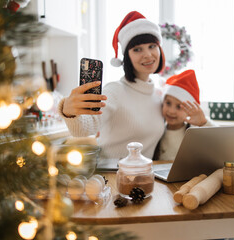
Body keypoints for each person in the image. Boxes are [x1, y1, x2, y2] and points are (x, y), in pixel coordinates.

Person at [58, 11, 166, 159]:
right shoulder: (115, 90)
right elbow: (84, 129)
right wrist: (69, 111)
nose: (147, 54)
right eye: (137, 49)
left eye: (152, 46)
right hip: (111, 174)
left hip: (143, 175)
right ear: (126, 57)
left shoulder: (158, 95)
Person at [154, 69, 215, 160]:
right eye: (168, 103)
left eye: (179, 107)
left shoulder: (193, 132)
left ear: (189, 111)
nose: (171, 111)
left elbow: (217, 140)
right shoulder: (158, 130)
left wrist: (203, 122)